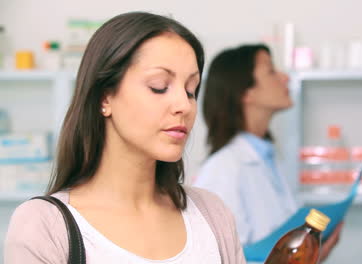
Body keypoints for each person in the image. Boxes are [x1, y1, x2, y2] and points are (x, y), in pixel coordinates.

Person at [4, 12, 245, 264]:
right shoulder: (45, 226)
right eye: (159, 86)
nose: (183, 105)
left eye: (190, 91)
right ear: (105, 98)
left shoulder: (212, 214)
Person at [194, 44, 343, 261]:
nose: (285, 78)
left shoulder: (268, 158)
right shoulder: (223, 170)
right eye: (271, 71)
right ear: (245, 92)